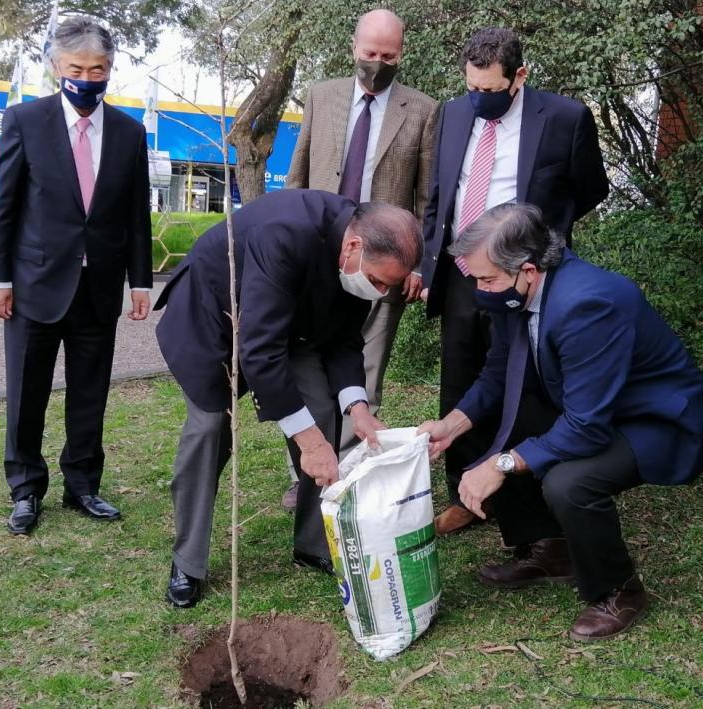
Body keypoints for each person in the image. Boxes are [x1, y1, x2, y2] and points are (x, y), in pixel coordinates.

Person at [420, 203, 703, 641]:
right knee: (509, 426)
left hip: (656, 420)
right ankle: (554, 551)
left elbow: (586, 427)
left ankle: (619, 590)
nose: (479, 289)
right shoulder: (514, 292)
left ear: (528, 270)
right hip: (593, 407)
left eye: (486, 279)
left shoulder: (589, 304)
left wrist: (499, 465)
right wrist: (453, 424)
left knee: (569, 482)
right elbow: (499, 372)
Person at [154, 189, 422, 608]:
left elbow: (344, 339)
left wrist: (358, 408)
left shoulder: (360, 262)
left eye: (388, 285)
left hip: (291, 322)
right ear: (353, 246)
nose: (381, 292)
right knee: (209, 430)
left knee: (321, 411)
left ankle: (313, 544)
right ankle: (188, 561)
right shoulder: (285, 233)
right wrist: (309, 444)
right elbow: (260, 351)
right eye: (377, 281)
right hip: (215, 316)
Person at [420, 27, 610, 535]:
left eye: (489, 89)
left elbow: (590, 189)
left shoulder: (565, 118)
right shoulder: (454, 113)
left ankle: (524, 491)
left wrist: (545, 239)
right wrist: (428, 260)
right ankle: (464, 490)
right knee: (461, 378)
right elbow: (442, 192)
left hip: (524, 275)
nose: (478, 98)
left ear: (519, 76)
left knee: (522, 381)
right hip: (462, 273)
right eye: (471, 88)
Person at [0, 16, 152, 535]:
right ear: (57, 67)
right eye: (77, 68)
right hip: (34, 284)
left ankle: (83, 483)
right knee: (26, 392)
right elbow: (5, 206)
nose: (87, 77)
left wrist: (140, 280)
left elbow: (135, 216)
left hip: (98, 286)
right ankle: (25, 488)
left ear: (110, 70)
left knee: (89, 391)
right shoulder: (24, 121)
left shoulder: (129, 132)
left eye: (97, 68)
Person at [284, 8, 437, 511]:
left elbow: (425, 199)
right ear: (354, 48)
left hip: (384, 265)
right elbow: (298, 176)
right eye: (371, 54)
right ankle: (306, 471)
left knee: (365, 369)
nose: (378, 63)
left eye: (388, 56)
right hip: (318, 259)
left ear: (402, 54)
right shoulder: (321, 96)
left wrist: (418, 265)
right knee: (306, 361)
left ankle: (347, 473)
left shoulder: (422, 110)